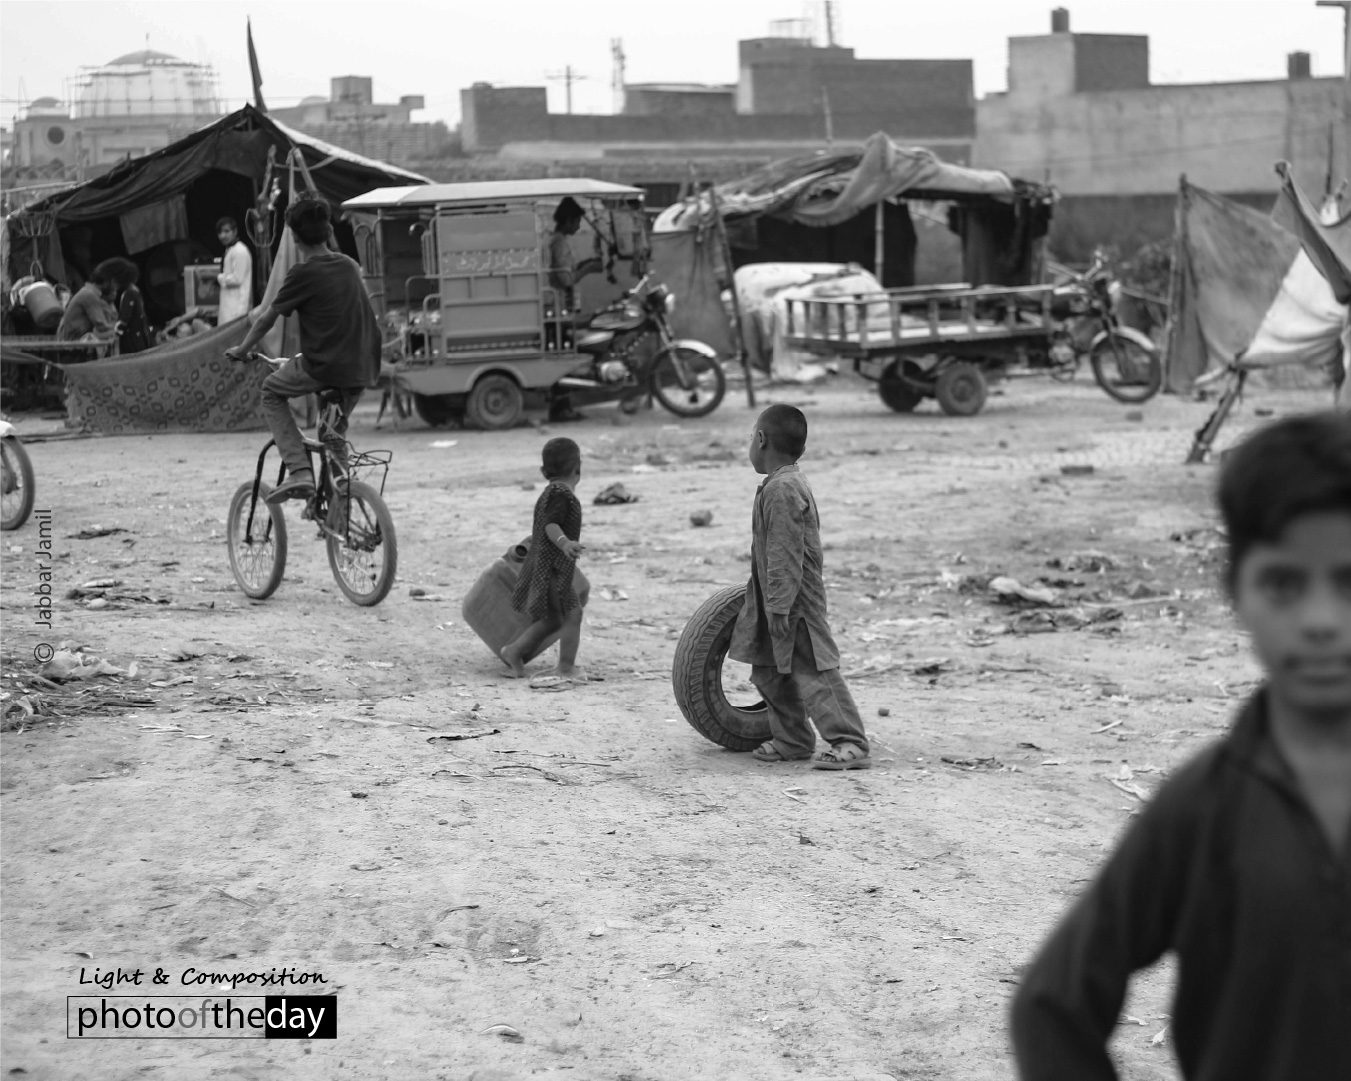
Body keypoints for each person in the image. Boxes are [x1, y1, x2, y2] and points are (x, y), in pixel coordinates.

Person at [1009, 411, 1351, 1081]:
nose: (1319, 621)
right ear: (1234, 592)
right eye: (1283, 584)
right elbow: (1051, 1005)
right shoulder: (1204, 808)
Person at [729, 404, 871, 770]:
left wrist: (779, 605)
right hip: (772, 597)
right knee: (768, 671)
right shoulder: (779, 484)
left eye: (750, 436)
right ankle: (793, 740)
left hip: (795, 602)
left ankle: (849, 742)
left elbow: (784, 552)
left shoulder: (784, 489)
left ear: (761, 440)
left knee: (813, 671)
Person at [225, 195, 381, 505]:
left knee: (271, 391)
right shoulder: (349, 266)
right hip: (362, 366)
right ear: (327, 232)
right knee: (332, 437)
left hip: (326, 367)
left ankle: (300, 472)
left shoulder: (302, 273)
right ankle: (341, 507)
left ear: (294, 237)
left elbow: (267, 317)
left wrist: (242, 349)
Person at [500, 437, 587, 685]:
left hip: (549, 567)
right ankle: (566, 667)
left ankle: (514, 651)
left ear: (543, 471)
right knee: (572, 614)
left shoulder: (551, 492)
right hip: (552, 569)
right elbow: (550, 524)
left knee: (555, 618)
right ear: (578, 469)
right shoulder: (560, 493)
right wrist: (565, 543)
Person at [545, 197, 603, 423]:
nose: (579, 226)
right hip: (559, 308)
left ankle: (563, 407)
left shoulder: (560, 240)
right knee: (564, 356)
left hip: (564, 307)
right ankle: (560, 409)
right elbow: (565, 278)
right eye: (577, 221)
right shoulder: (558, 243)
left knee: (565, 353)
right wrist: (588, 268)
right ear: (568, 220)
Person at [56, 262, 119, 343]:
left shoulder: (95, 295)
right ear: (106, 282)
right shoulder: (89, 295)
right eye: (113, 283)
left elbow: (112, 319)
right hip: (71, 343)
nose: (115, 287)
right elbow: (101, 325)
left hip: (76, 340)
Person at [105, 257, 150, 354]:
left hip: (132, 341)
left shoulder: (129, 294)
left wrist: (113, 335)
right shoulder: (135, 291)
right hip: (141, 337)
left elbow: (124, 320)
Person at [216, 216, 253, 324]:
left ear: (235, 231)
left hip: (236, 308)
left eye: (226, 231)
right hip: (229, 305)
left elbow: (237, 279)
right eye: (220, 232)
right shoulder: (230, 249)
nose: (223, 235)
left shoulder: (240, 251)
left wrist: (217, 277)